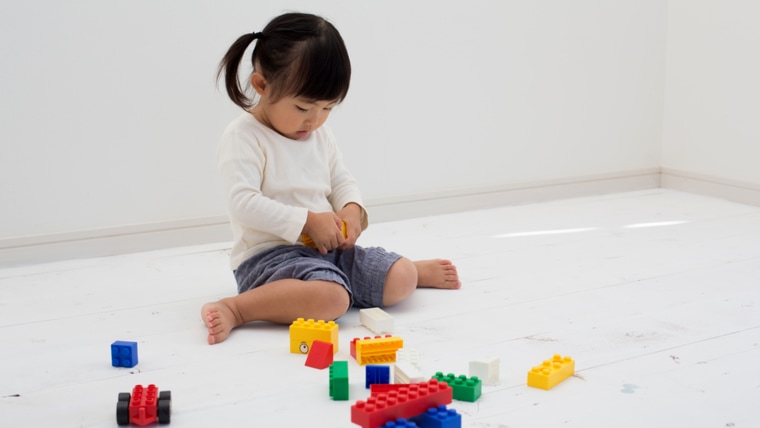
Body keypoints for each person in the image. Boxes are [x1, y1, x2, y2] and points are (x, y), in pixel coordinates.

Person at [201, 12, 460, 345]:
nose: (315, 120)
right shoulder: (244, 137)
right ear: (262, 85)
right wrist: (307, 221)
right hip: (269, 261)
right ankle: (238, 309)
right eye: (304, 107)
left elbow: (340, 179)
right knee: (333, 299)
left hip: (327, 251)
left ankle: (408, 268)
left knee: (403, 278)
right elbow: (243, 204)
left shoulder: (318, 134)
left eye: (328, 108)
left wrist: (351, 210)